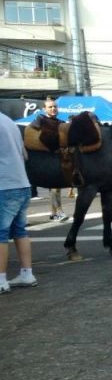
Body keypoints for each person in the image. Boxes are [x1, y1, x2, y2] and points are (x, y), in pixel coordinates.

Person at [0, 112, 37, 294]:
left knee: (0, 234)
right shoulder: (9, 122)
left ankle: (1, 280)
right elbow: (24, 155)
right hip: (22, 183)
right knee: (19, 231)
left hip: (4, 185)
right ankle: (26, 273)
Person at [37, 98, 68, 222]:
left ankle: (53, 213)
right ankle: (59, 212)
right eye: (50, 107)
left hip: (59, 157)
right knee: (55, 186)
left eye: (55, 106)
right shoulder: (40, 122)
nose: (53, 109)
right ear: (44, 109)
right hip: (47, 158)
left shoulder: (61, 122)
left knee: (56, 187)